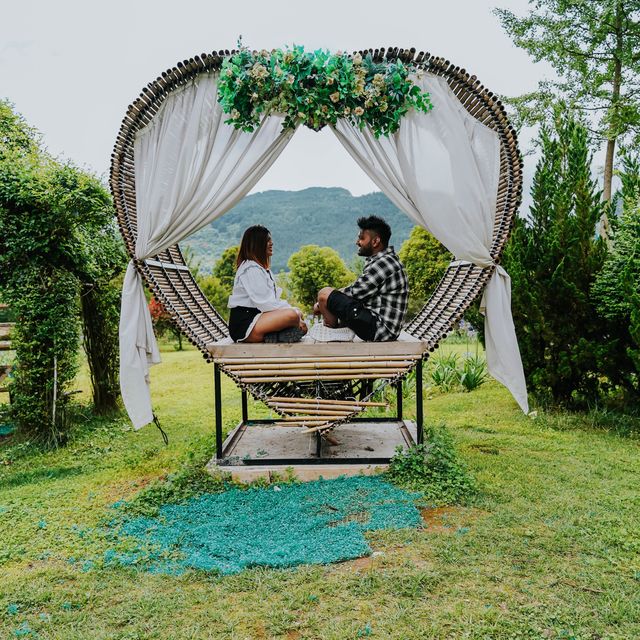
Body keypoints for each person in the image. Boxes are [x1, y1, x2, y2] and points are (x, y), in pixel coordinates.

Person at [314, 215, 408, 341]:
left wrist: (323, 302)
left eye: (361, 238)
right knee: (330, 297)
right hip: (382, 328)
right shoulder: (385, 260)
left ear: (375, 241)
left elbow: (355, 292)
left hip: (380, 330)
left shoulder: (384, 263)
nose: (357, 242)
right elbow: (358, 292)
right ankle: (335, 332)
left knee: (324, 294)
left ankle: (332, 333)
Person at [228, 225, 306, 343]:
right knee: (293, 316)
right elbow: (266, 304)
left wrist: (295, 310)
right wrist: (293, 312)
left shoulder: (262, 269)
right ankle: (276, 335)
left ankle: (275, 336)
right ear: (257, 244)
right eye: (267, 240)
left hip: (260, 319)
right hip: (245, 325)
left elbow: (273, 300)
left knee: (303, 325)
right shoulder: (250, 269)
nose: (271, 243)